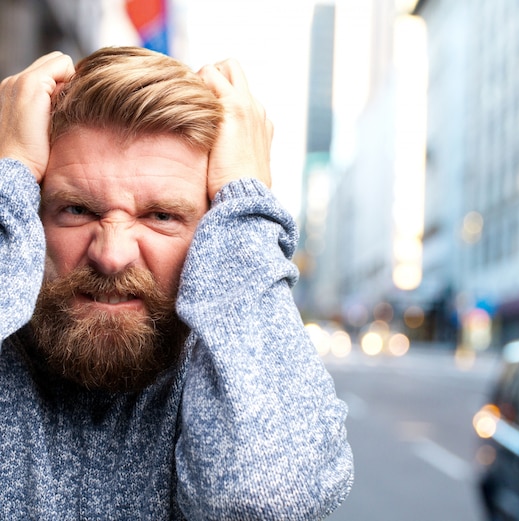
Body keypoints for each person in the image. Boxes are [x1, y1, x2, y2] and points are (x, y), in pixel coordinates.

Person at [0, 46, 353, 519]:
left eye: (162, 216)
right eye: (77, 210)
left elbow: (265, 501)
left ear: (215, 233)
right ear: (31, 211)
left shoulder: (231, 378)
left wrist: (245, 205)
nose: (111, 254)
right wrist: (9, 177)